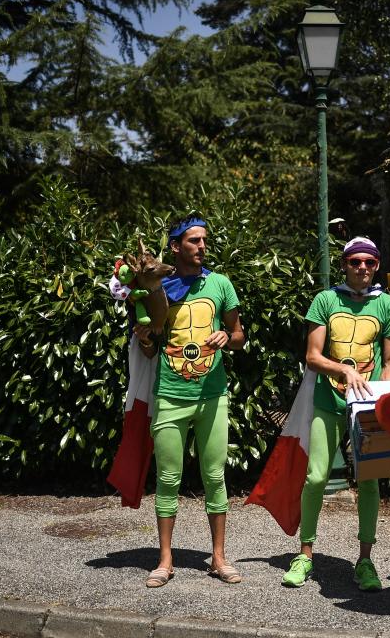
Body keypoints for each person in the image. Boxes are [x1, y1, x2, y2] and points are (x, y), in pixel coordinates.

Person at [281, 237, 390, 591]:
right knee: (316, 477)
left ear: (376, 266)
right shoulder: (325, 300)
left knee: (369, 480)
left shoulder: (389, 306)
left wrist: (382, 401)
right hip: (329, 402)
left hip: (367, 406)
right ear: (345, 265)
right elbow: (313, 356)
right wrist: (343, 371)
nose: (362, 268)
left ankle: (365, 561)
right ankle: (305, 555)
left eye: (369, 262)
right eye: (355, 262)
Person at [133, 215, 245, 588]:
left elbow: (240, 334)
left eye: (204, 240)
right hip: (171, 394)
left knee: (215, 477)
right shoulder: (157, 286)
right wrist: (146, 338)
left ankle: (219, 558)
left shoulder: (221, 284)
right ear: (176, 247)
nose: (201, 246)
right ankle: (165, 561)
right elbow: (150, 349)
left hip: (212, 395)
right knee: (168, 479)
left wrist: (227, 337)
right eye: (193, 241)